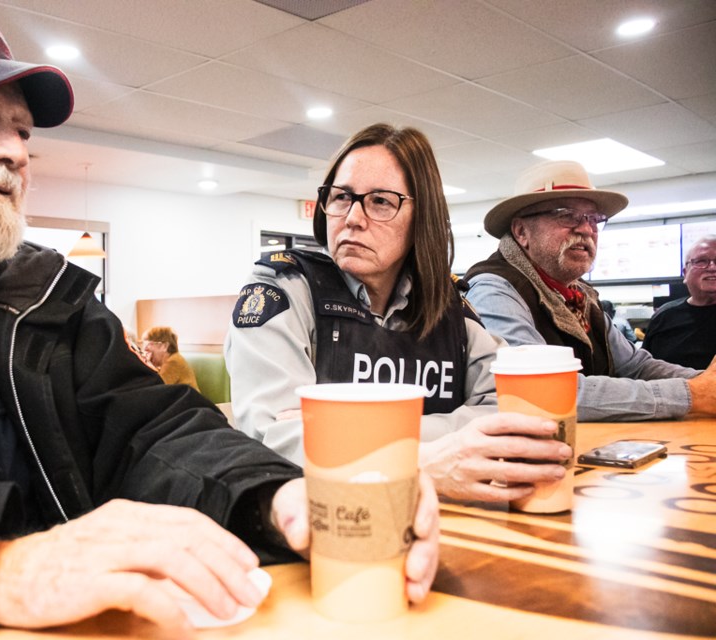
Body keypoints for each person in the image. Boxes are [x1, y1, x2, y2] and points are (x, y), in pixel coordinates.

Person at [0, 4, 439, 636]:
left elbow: (153, 429)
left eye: (21, 130)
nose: (15, 151)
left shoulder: (54, 298)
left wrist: (277, 494)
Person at [226, 124, 574, 504]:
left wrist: (344, 431)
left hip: (458, 521)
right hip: (330, 526)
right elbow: (273, 443)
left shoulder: (449, 309)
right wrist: (424, 456)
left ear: (421, 218)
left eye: (380, 202)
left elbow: (517, 411)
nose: (353, 218)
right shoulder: (284, 291)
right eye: (341, 197)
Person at [465, 160, 716, 422]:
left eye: (594, 219)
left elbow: (636, 366)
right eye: (567, 215)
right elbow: (542, 391)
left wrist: (705, 383)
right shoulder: (494, 290)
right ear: (521, 231)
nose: (586, 229)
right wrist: (690, 394)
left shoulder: (581, 296)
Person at [642, 236, 716, 369]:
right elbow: (645, 368)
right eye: (701, 261)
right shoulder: (664, 316)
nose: (712, 267)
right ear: (685, 273)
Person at [141, 326, 201, 390]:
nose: (145, 348)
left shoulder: (173, 362)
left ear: (164, 346)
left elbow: (157, 388)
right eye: (144, 344)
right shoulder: (171, 360)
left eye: (149, 344)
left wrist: (147, 366)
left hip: (189, 399)